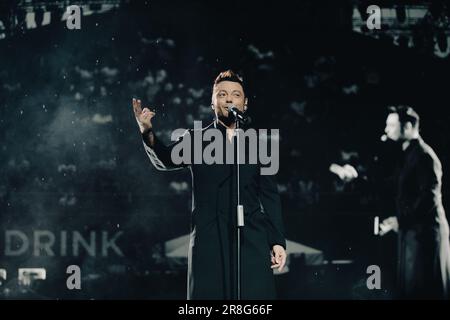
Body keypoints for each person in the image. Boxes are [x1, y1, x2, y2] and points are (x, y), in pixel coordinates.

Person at [132, 70, 287, 299]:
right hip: (209, 242)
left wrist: (277, 242)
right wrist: (146, 129)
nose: (229, 99)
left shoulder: (258, 144)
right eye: (222, 94)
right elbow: (165, 159)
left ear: (244, 104)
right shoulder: (196, 140)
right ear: (212, 103)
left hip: (251, 241)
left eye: (235, 95)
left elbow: (270, 195)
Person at [379, 105, 450, 299]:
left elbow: (429, 199)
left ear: (408, 127)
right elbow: (392, 187)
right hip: (413, 232)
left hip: (425, 235)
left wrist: (400, 220)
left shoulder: (424, 156)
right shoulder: (407, 154)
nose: (387, 130)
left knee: (422, 289)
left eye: (392, 125)